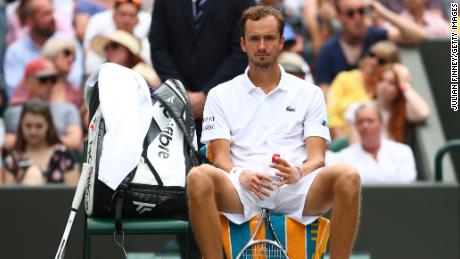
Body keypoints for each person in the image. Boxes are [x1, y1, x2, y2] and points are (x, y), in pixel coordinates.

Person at [187, 6, 361, 259]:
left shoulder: (309, 93)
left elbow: (317, 158)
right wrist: (240, 175)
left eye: (269, 38)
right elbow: (221, 159)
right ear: (243, 44)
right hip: (242, 188)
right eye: (255, 39)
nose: (262, 45)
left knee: (348, 176)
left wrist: (298, 172)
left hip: (296, 186)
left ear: (280, 43)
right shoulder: (219, 94)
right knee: (198, 177)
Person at [149, 0, 256, 143]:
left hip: (226, 105)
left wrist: (208, 94)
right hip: (176, 106)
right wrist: (181, 93)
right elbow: (158, 47)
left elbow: (242, 50)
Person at [314, 0, 427, 93]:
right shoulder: (327, 50)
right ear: (339, 17)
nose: (358, 17)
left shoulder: (376, 35)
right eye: (350, 13)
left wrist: (381, 11)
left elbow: (420, 36)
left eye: (362, 11)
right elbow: (325, 92)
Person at [3, 0, 83, 98]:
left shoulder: (70, 43)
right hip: (28, 108)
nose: (52, 17)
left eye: (52, 12)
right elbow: (13, 91)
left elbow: (75, 82)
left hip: (66, 103)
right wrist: (52, 68)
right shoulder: (15, 51)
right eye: (46, 14)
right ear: (30, 21)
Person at [4, 58, 83, 151]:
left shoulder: (68, 109)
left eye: (53, 80)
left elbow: (75, 141)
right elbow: (7, 142)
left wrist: (39, 140)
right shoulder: (14, 112)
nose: (49, 85)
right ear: (28, 80)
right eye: (43, 79)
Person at [328, 102, 417, 184]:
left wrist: (361, 176)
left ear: (382, 124)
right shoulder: (344, 156)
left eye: (370, 121)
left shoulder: (403, 151)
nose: (365, 126)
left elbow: (408, 179)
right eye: (360, 122)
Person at [327, 40, 400, 139]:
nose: (374, 62)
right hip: (340, 142)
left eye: (381, 61)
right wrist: (346, 145)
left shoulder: (386, 90)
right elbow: (332, 115)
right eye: (371, 55)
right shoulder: (344, 78)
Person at [346, 63, 430, 144]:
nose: (384, 86)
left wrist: (404, 84)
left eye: (391, 83)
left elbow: (422, 113)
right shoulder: (356, 109)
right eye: (381, 80)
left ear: (399, 89)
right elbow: (355, 146)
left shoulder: (402, 112)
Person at [2, 99, 79, 185]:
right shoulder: (12, 160)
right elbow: (8, 196)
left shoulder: (64, 156)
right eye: (28, 126)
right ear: (21, 126)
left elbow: (74, 194)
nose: (33, 131)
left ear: (48, 125)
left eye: (39, 126)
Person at [83, 0, 152, 75]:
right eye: (122, 14)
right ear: (114, 17)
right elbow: (91, 72)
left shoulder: (146, 47)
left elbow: (152, 79)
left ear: (137, 20)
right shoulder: (104, 43)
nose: (126, 20)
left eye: (131, 15)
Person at [90, 30, 160, 86]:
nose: (109, 51)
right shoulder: (106, 75)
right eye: (106, 48)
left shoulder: (143, 72)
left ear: (128, 50)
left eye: (114, 46)